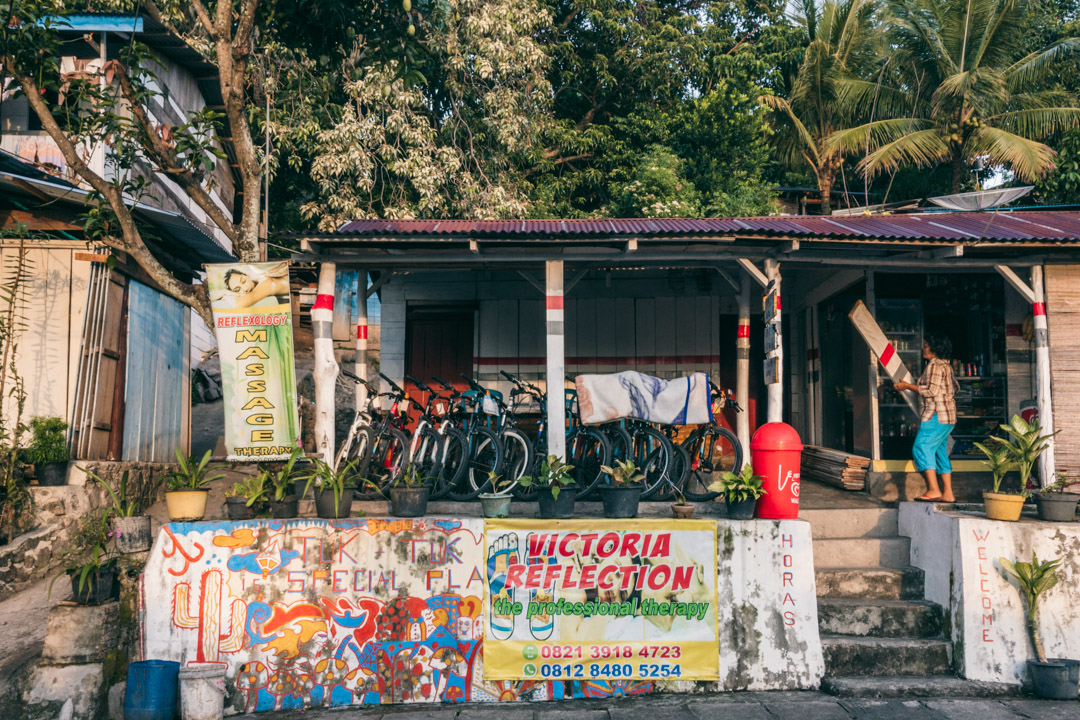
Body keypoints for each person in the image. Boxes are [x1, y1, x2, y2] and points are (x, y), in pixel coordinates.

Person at [893, 335, 959, 503]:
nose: (924, 348)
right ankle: (948, 494)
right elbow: (955, 387)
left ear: (934, 348)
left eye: (926, 346)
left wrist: (907, 386)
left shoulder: (934, 365)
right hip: (947, 416)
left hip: (936, 414)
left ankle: (934, 489)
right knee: (939, 452)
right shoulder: (946, 366)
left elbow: (930, 391)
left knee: (921, 447)